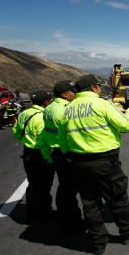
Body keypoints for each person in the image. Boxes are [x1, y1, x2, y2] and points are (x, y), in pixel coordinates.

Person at [57, 74, 129, 255]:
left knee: (90, 203)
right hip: (105, 161)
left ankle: (98, 242)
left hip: (79, 163)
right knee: (117, 197)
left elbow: (62, 141)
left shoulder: (68, 110)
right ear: (93, 88)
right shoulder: (102, 104)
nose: (99, 89)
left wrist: (72, 157)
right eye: (97, 86)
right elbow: (126, 125)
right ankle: (128, 232)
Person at [43, 80, 85, 233]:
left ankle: (66, 220)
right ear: (64, 94)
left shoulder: (49, 108)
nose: (75, 93)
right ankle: (71, 223)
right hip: (65, 153)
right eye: (72, 91)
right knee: (69, 190)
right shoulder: (63, 110)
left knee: (65, 188)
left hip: (55, 151)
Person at [12, 91, 55, 223]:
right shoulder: (42, 117)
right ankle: (44, 213)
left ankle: (31, 212)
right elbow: (44, 141)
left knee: (32, 184)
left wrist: (26, 141)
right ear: (46, 102)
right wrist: (48, 158)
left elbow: (16, 132)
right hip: (41, 155)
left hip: (28, 153)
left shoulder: (24, 114)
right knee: (44, 186)